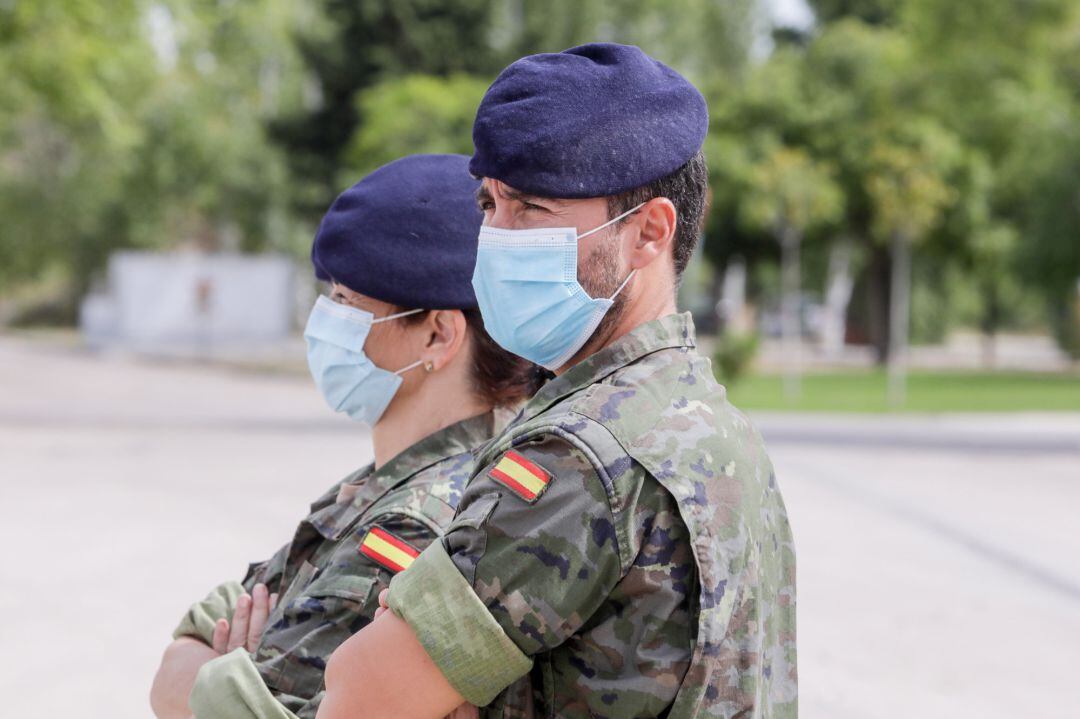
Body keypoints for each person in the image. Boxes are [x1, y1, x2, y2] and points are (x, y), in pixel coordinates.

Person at [317, 44, 798, 719]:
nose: (496, 235)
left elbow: (355, 697)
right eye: (490, 204)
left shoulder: (581, 454)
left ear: (648, 233)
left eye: (533, 210)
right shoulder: (707, 416)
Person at [148, 154, 541, 719]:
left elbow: (199, 694)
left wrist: (212, 677)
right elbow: (182, 658)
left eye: (346, 303)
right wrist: (222, 679)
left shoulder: (421, 519)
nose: (323, 321)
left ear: (436, 335)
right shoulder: (385, 480)